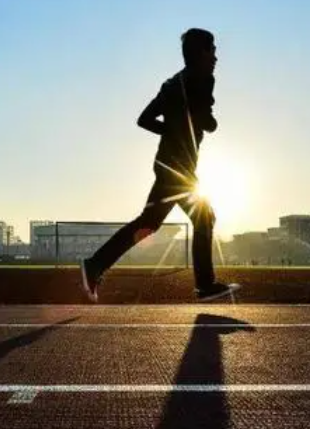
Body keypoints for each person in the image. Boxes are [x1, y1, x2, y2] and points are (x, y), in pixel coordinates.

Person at [80, 28, 239, 302]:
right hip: (180, 168)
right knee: (205, 217)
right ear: (201, 52)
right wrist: (205, 122)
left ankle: (95, 265)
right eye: (212, 50)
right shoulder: (203, 79)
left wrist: (172, 129)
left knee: (149, 223)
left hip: (166, 164)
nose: (216, 56)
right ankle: (205, 285)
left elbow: (144, 119)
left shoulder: (170, 84)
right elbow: (206, 121)